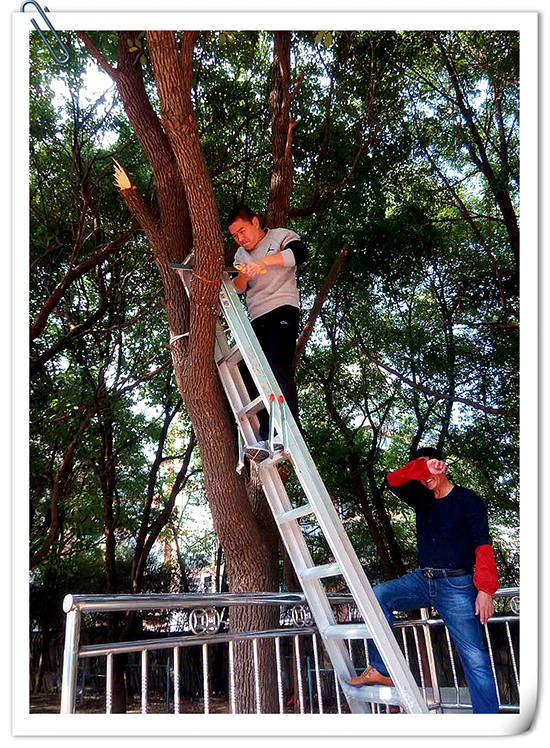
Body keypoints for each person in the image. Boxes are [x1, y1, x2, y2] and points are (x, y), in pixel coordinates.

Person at [346, 447, 500, 714]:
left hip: (456, 585)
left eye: (430, 468)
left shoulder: (468, 499)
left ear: (443, 466)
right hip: (422, 580)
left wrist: (486, 589)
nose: (426, 477)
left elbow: (483, 544)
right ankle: (382, 669)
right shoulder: (422, 497)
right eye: (420, 472)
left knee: (475, 659)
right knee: (377, 595)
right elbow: (392, 480)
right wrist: (421, 467)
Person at [228, 204, 308, 462]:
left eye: (242, 231)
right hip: (257, 316)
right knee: (250, 373)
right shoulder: (240, 254)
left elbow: (299, 254)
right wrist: (244, 274)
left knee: (278, 366)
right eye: (235, 236)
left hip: (282, 308)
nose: (240, 239)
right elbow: (238, 287)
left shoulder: (280, 236)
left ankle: (289, 432)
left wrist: (261, 262)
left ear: (255, 222)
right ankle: (266, 436)